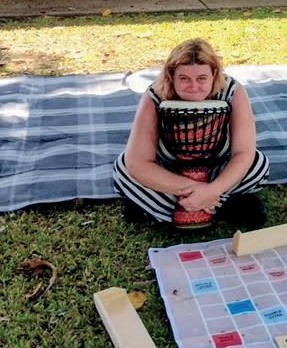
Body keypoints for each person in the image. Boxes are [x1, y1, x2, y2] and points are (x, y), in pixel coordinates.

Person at [114, 38, 269, 229]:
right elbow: (137, 163)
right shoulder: (155, 95)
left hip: (218, 168)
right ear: (171, 75)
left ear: (214, 74)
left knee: (257, 164)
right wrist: (201, 190)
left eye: (201, 78)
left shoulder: (232, 91)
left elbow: (244, 152)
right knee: (124, 168)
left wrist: (214, 188)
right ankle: (223, 206)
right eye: (184, 78)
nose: (193, 86)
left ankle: (162, 208)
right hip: (169, 172)